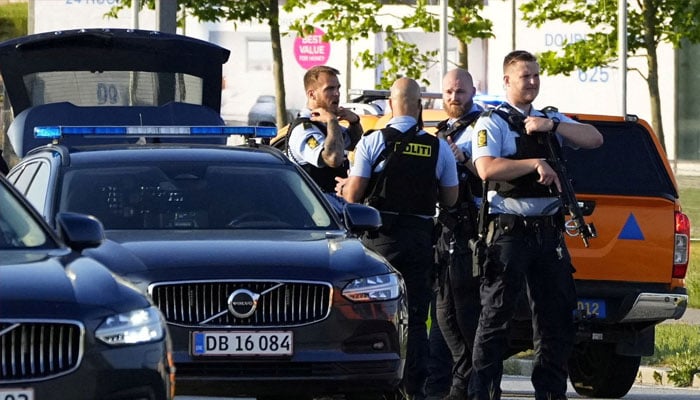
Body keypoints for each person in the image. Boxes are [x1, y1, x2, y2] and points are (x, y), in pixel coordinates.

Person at [468, 50, 603, 400]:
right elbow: (486, 168)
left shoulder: (548, 118)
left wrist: (553, 126)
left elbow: (595, 138)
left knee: (556, 321)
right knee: (496, 319)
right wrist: (534, 164)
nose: (532, 82)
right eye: (524, 76)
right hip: (510, 232)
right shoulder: (492, 122)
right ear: (507, 81)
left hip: (548, 233)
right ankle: (482, 393)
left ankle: (550, 394)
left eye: (535, 75)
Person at [336, 77, 459, 400]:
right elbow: (450, 199)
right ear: (419, 106)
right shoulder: (438, 147)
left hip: (380, 241)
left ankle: (375, 384)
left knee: (376, 315)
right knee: (417, 318)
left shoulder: (374, 141)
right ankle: (414, 389)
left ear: (391, 105)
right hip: (420, 241)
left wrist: (343, 187)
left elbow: (353, 195)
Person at [432, 68, 485, 400]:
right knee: (444, 312)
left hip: (473, 231)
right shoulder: (443, 130)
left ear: (473, 91)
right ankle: (450, 385)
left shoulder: (483, 127)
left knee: (461, 314)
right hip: (445, 231)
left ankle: (467, 383)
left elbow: (490, 175)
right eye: (449, 92)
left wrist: (462, 159)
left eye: (460, 92)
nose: (454, 97)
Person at [286, 65, 363, 197]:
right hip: (315, 212)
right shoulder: (304, 129)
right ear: (312, 94)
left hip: (333, 208)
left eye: (338, 88)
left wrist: (354, 122)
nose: (337, 93)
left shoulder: (324, 124)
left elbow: (354, 143)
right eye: (330, 89)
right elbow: (333, 158)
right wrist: (332, 121)